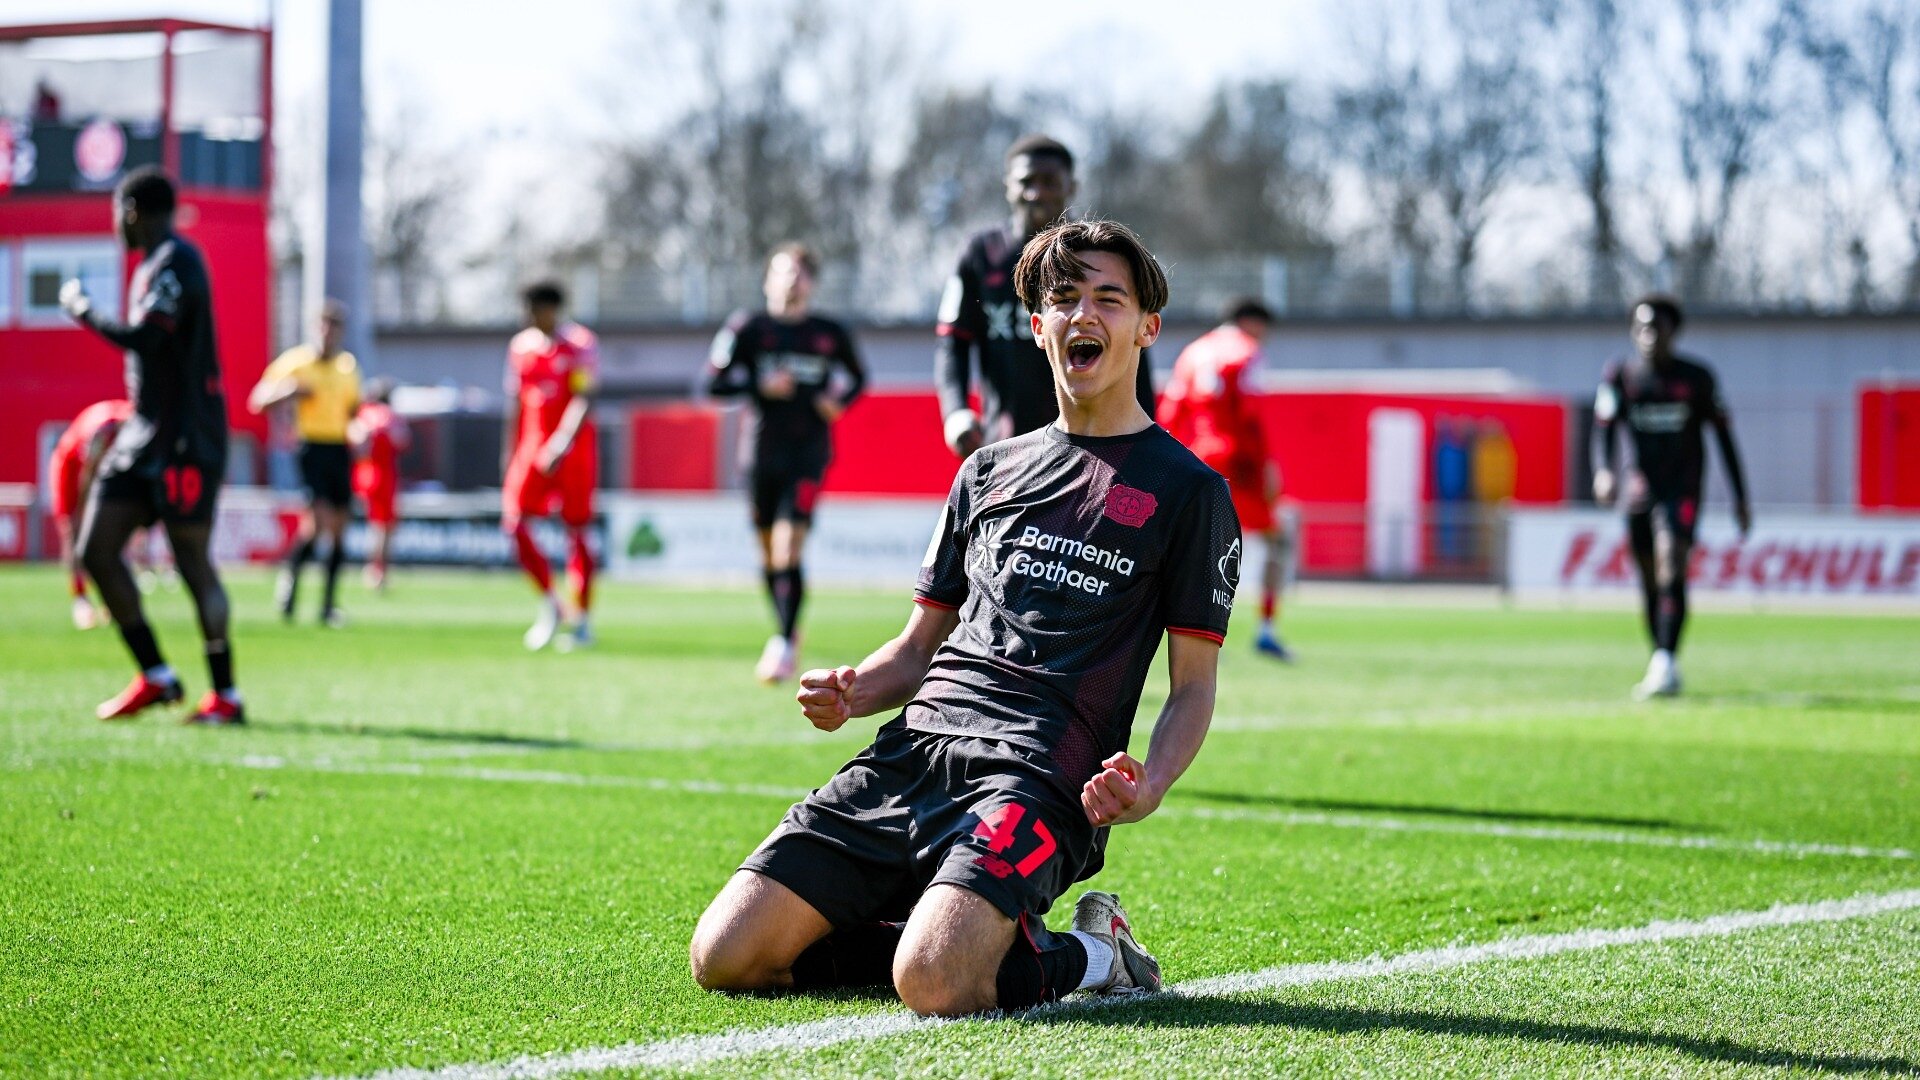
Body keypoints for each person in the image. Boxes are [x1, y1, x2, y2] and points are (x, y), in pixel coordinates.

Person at [690, 220, 1240, 1018]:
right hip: (912, 753)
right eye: (1064, 299)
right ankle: (943, 923)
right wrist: (854, 688)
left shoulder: (1188, 492)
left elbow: (1193, 686)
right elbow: (916, 651)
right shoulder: (986, 471)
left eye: (1108, 300)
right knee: (727, 955)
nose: (1083, 314)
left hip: (1038, 777)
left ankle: (1095, 953)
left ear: (1146, 328)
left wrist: (1150, 782)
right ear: (1038, 327)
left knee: (937, 984)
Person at [58, 166, 243, 724]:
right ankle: (157, 676)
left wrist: (84, 311)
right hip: (144, 434)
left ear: (133, 211)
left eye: (118, 212)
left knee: (192, 561)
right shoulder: (151, 267)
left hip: (186, 436)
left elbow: (145, 337)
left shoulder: (176, 263)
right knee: (95, 549)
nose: (116, 224)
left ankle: (226, 697)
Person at [936, 134, 1155, 458]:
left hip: (1093, 446)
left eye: (1050, 181)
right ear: (1007, 185)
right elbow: (952, 341)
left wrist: (1146, 431)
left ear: (1072, 187)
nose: (1036, 192)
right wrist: (955, 413)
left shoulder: (1100, 253)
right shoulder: (980, 254)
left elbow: (1134, 341)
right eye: (1026, 181)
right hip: (1005, 445)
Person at [707, 243, 867, 683]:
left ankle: (781, 642)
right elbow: (713, 382)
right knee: (767, 553)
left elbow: (858, 377)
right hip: (760, 454)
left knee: (787, 548)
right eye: (783, 272)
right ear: (767, 280)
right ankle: (788, 629)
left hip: (808, 453)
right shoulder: (747, 328)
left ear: (811, 282)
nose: (792, 280)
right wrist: (760, 386)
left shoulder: (829, 332)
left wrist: (839, 401)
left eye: (800, 273)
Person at [1592, 295, 1751, 699]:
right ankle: (1662, 658)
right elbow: (1604, 428)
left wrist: (1740, 497)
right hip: (1640, 491)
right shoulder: (1621, 376)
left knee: (1671, 566)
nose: (1648, 335)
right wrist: (1604, 471)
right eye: (1641, 327)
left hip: (1682, 488)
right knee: (1649, 580)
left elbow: (1724, 437)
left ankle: (1665, 659)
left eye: (1656, 327)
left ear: (1672, 332)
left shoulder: (1696, 378)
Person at [1158, 297, 1294, 659]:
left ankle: (1169, 627)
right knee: (1276, 541)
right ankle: (1266, 628)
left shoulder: (1192, 353)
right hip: (1238, 461)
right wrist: (1266, 466)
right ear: (1253, 323)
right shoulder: (1247, 352)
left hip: (1197, 460)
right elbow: (1251, 415)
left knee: (1189, 546)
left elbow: (1170, 412)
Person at [251, 299, 361, 626]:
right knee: (320, 522)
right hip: (310, 447)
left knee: (338, 529)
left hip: (339, 449)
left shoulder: (347, 368)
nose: (328, 334)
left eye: (334, 328)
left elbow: (353, 413)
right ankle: (290, 583)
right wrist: (288, 391)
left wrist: (360, 433)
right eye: (324, 326)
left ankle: (327, 606)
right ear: (316, 329)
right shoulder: (296, 363)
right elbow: (257, 400)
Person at [503, 281, 599, 651]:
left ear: (550, 309)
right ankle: (550, 604)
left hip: (572, 452)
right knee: (513, 523)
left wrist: (563, 440)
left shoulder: (580, 344)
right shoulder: (521, 347)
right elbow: (516, 401)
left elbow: (584, 395)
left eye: (532, 309)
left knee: (577, 533)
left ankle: (583, 620)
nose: (527, 318)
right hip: (530, 449)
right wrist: (509, 453)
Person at [47, 398, 133, 629]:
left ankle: (111, 598)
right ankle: (80, 598)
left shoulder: (140, 427)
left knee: (114, 531)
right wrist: (84, 513)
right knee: (73, 530)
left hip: (101, 472)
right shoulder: (104, 432)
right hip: (71, 465)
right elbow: (88, 476)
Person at [349, 377, 409, 591]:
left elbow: (357, 442)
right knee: (383, 528)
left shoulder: (363, 414)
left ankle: (375, 570)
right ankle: (377, 572)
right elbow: (402, 440)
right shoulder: (388, 416)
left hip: (365, 473)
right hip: (384, 475)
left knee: (376, 526)